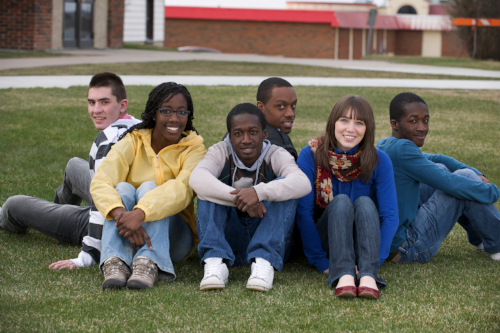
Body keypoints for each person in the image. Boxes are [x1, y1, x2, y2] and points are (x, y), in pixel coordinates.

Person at [0, 72, 140, 269]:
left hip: (113, 221)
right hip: (130, 203)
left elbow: (102, 206)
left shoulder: (107, 142)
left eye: (104, 102)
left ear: (122, 105)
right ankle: (56, 211)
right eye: (91, 102)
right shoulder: (136, 125)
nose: (96, 110)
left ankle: (9, 219)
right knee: (74, 165)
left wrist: (88, 255)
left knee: (14, 205)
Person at [91, 82, 206, 290]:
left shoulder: (194, 149)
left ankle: (149, 263)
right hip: (127, 229)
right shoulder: (133, 141)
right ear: (154, 114)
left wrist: (141, 213)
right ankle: (115, 262)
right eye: (166, 111)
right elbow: (101, 180)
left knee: (149, 187)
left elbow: (182, 190)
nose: (174, 119)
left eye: (182, 112)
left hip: (175, 238)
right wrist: (121, 216)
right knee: (123, 188)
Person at [190, 103, 311, 292]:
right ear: (230, 137)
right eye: (238, 133)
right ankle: (215, 262)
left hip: (272, 241)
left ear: (264, 134)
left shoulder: (276, 153)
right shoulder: (221, 150)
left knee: (287, 185)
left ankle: (263, 263)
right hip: (231, 242)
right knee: (208, 187)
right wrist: (240, 199)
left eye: (253, 132)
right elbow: (197, 179)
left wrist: (258, 193)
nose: (246, 139)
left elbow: (302, 183)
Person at [377, 92, 500, 264]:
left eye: (425, 120)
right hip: (409, 247)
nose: (422, 127)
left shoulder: (386, 144)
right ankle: (496, 242)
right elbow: (449, 183)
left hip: (397, 242)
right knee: (462, 179)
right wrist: (492, 191)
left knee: (446, 169)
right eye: (413, 121)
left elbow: (437, 159)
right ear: (395, 124)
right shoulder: (403, 149)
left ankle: (481, 239)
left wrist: (476, 172)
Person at [296, 95, 398, 299]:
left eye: (359, 123)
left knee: (365, 203)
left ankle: (368, 275)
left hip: (365, 244)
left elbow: (390, 216)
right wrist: (321, 261)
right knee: (341, 202)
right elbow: (303, 214)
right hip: (328, 242)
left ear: (367, 128)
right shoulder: (311, 154)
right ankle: (342, 273)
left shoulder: (380, 160)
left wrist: (376, 259)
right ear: (332, 122)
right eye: (344, 120)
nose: (351, 129)